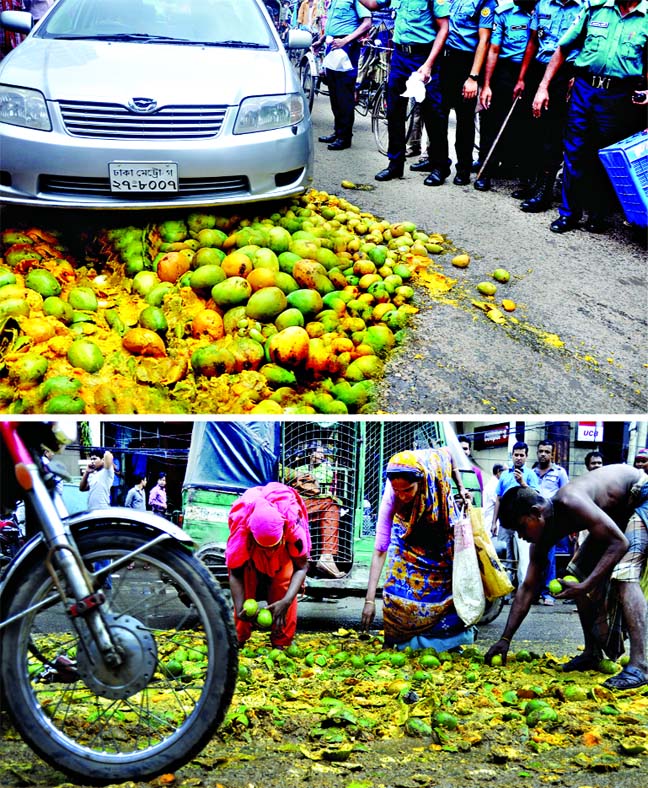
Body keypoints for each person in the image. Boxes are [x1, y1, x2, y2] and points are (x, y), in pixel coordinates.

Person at [485, 464, 648, 691]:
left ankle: (640, 665)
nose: (521, 537)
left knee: (624, 575)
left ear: (536, 512)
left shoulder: (570, 501)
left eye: (522, 528)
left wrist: (587, 585)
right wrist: (505, 639)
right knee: (573, 577)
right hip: (616, 514)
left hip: (641, 497)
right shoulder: (541, 538)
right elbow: (528, 588)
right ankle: (592, 653)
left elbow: (619, 543)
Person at [532, 0, 648, 234]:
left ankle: (598, 214)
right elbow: (563, 48)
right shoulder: (595, 9)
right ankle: (569, 214)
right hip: (585, 89)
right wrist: (543, 86)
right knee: (575, 151)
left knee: (607, 156)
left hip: (620, 95)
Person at [360, 448, 474, 651]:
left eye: (408, 490)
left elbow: (450, 456)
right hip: (407, 537)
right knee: (395, 590)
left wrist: (461, 487)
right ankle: (398, 640)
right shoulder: (392, 498)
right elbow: (380, 549)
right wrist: (369, 600)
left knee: (446, 593)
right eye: (397, 490)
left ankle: (448, 644)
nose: (402, 496)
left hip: (439, 535)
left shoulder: (435, 470)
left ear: (421, 483)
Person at [359, 0, 450, 184]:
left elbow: (444, 28)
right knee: (394, 112)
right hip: (400, 57)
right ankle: (395, 164)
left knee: (433, 114)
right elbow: (373, 4)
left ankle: (440, 166)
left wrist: (428, 65)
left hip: (424, 57)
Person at [512, 0, 584, 213]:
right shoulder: (543, 4)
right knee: (534, 130)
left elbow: (587, 44)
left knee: (554, 135)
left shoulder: (585, 6)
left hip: (567, 74)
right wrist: (522, 78)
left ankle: (545, 191)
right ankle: (535, 184)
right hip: (540, 69)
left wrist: (578, 75)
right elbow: (533, 42)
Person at [226, 482, 311, 649]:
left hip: (283, 559)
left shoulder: (292, 526)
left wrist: (286, 601)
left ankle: (281, 642)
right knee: (245, 591)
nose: (270, 551)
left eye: (274, 546)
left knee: (284, 583)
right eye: (265, 547)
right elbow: (235, 573)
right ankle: (239, 638)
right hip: (251, 558)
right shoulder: (242, 532)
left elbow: (302, 567)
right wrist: (240, 607)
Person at [431, 0, 497, 187]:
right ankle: (439, 166)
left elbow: (484, 40)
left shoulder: (485, 3)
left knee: (465, 120)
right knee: (438, 116)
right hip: (444, 61)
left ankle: (463, 169)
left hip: (466, 63)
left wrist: (473, 77)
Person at [475, 0, 537, 192]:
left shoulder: (543, 11)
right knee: (491, 118)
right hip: (505, 70)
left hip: (536, 72)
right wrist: (486, 85)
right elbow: (494, 49)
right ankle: (486, 170)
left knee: (528, 124)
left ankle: (523, 173)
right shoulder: (504, 13)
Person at [317, 0, 372, 151]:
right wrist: (321, 41)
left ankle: (345, 137)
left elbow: (367, 23)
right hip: (332, 45)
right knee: (334, 92)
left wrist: (346, 40)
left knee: (344, 93)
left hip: (347, 46)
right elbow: (333, 25)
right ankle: (338, 131)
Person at [491, 441, 540, 588]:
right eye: (516, 455)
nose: (518, 458)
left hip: (523, 524)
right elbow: (498, 499)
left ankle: (522, 590)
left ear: (526, 457)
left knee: (523, 558)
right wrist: (494, 522)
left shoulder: (531, 475)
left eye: (521, 455)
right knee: (505, 557)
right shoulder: (504, 475)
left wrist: (523, 483)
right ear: (512, 456)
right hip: (506, 523)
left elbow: (536, 497)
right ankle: (505, 590)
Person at [295, 445, 345, 579]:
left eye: (323, 454)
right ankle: (324, 558)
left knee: (332, 506)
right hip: (301, 506)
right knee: (332, 505)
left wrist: (309, 483)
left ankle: (326, 557)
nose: (322, 456)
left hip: (318, 505)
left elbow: (322, 487)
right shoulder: (299, 469)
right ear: (310, 454)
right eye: (319, 452)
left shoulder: (327, 469)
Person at [533, 439, 569, 604]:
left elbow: (565, 495)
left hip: (550, 521)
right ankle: (533, 592)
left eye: (547, 452)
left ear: (552, 454)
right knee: (534, 556)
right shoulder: (531, 473)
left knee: (549, 557)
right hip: (533, 521)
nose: (543, 454)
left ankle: (547, 593)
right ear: (537, 452)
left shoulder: (559, 472)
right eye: (541, 451)